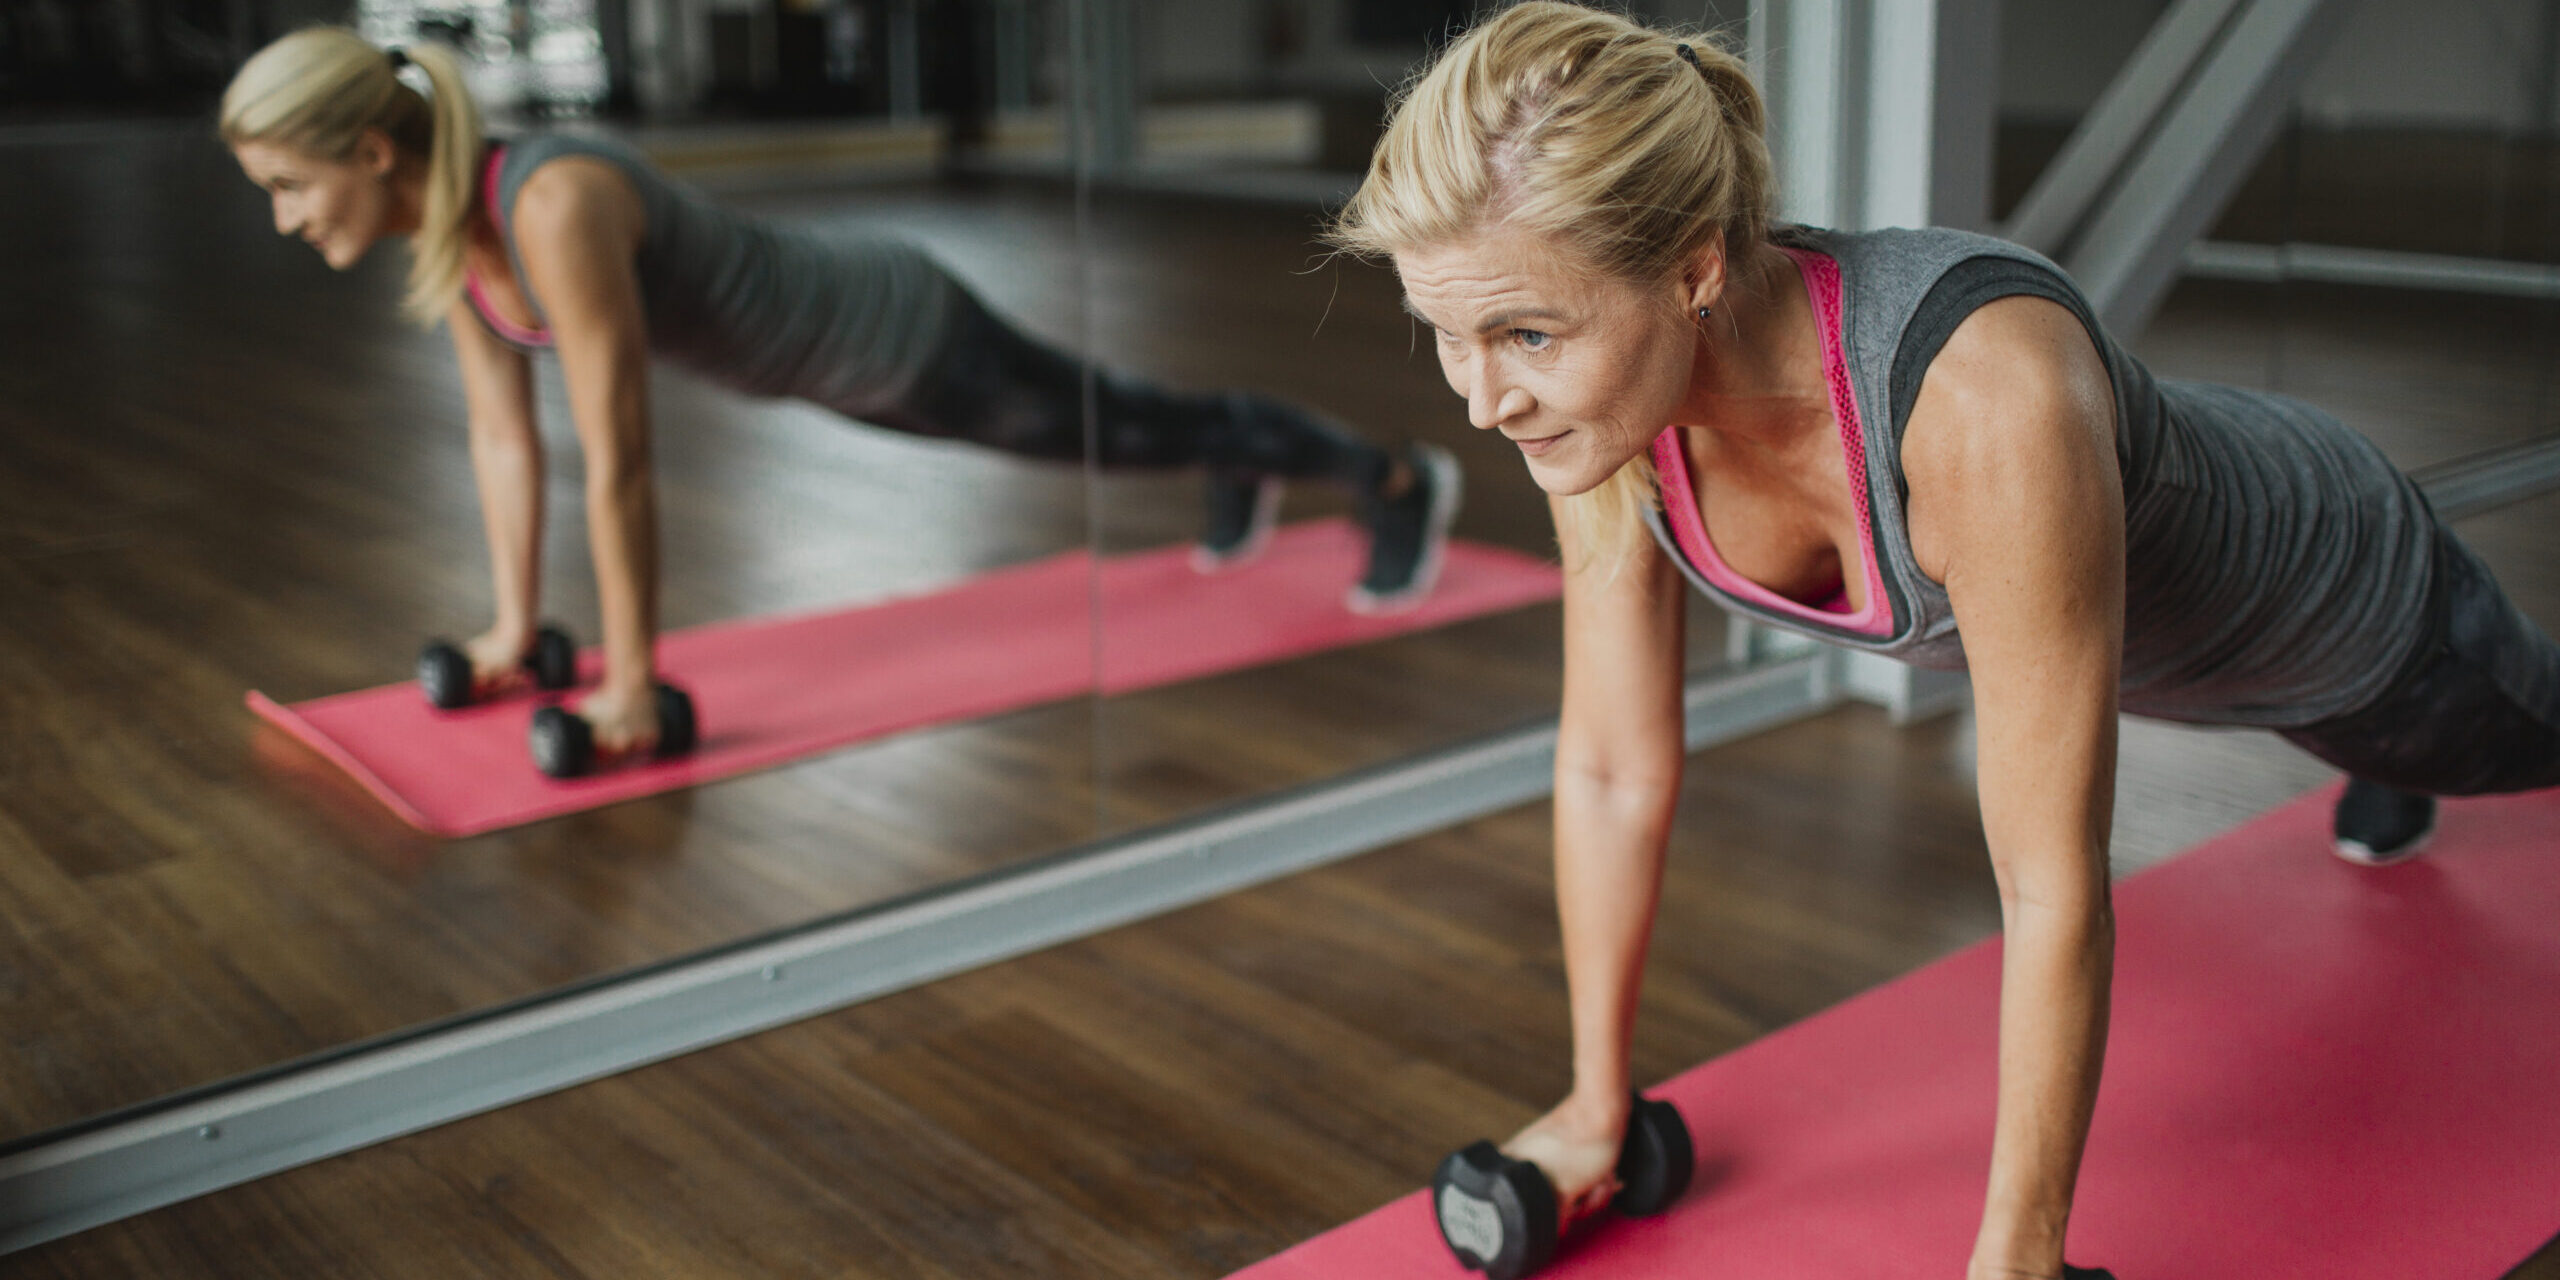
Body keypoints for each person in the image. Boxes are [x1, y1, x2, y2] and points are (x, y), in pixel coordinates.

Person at [1325, 4, 2560, 1277]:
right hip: (2152, 660)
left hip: (2342, 605)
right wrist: (1595, 1109)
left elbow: (2049, 878)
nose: (1478, 400)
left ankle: (2393, 756)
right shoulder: (1589, 410)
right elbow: (1609, 770)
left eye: (1522, 332)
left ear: (1692, 267)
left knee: (2517, 740)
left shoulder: (1983, 397)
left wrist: (2018, 1254)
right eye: (1445, 334)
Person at [219, 28, 1462, 754]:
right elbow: (503, 442)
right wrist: (508, 634)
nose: (284, 219)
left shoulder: (552, 203)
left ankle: (1393, 473)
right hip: (837, 370)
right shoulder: (453, 241)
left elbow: (619, 455)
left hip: (901, 334)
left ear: (374, 153)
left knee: (1131, 425)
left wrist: (631, 685)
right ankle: (1240, 458)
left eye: (287, 186)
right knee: (1127, 426)